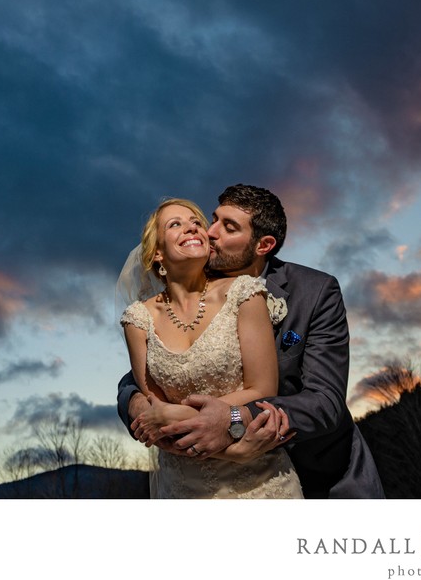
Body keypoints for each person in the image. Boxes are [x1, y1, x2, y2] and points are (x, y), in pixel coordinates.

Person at [118, 185, 384, 498]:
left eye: (228, 227)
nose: (210, 232)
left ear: (263, 245)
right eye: (213, 220)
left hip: (321, 474)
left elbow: (324, 402)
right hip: (202, 479)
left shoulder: (315, 292)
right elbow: (159, 366)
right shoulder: (191, 285)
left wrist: (236, 420)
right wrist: (134, 402)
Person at [118, 197, 303, 498]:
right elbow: (156, 411)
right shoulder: (137, 320)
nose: (192, 228)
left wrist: (182, 419)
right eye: (175, 224)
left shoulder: (244, 293)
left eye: (196, 223)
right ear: (157, 255)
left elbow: (263, 388)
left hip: (262, 483)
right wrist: (166, 418)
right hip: (183, 487)